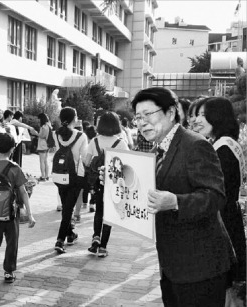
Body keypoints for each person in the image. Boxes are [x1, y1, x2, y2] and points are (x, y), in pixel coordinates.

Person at [131, 87, 233, 306]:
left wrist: (176, 202)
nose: (141, 122)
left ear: (170, 112)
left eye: (148, 114)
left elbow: (215, 196)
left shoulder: (195, 145)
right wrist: (115, 179)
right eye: (138, 117)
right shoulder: (158, 149)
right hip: (172, 266)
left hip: (200, 267)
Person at [194, 97, 246, 291]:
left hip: (222, 222)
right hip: (229, 216)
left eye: (202, 115)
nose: (197, 120)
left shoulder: (222, 149)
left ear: (217, 117)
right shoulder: (226, 144)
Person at [0, 133, 36, 297]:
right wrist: (30, 214)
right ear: (13, 149)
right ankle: (9, 271)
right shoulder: (15, 168)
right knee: (12, 242)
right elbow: (23, 192)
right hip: (11, 213)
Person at [84, 111, 129, 257]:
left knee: (99, 211)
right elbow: (127, 165)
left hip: (97, 181)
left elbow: (86, 161)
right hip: (114, 183)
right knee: (109, 214)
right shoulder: (121, 143)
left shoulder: (94, 141)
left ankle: (95, 237)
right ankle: (103, 247)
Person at [53, 107, 88, 254]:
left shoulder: (56, 134)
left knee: (66, 207)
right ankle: (60, 240)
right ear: (74, 119)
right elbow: (85, 158)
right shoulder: (81, 136)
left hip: (59, 175)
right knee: (68, 209)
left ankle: (70, 234)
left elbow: (57, 151)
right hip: (74, 177)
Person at [36, 113, 51, 181]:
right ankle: (47, 175)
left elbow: (42, 136)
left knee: (42, 161)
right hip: (47, 145)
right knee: (45, 161)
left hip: (42, 145)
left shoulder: (44, 127)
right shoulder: (49, 125)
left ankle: (43, 176)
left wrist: (35, 133)